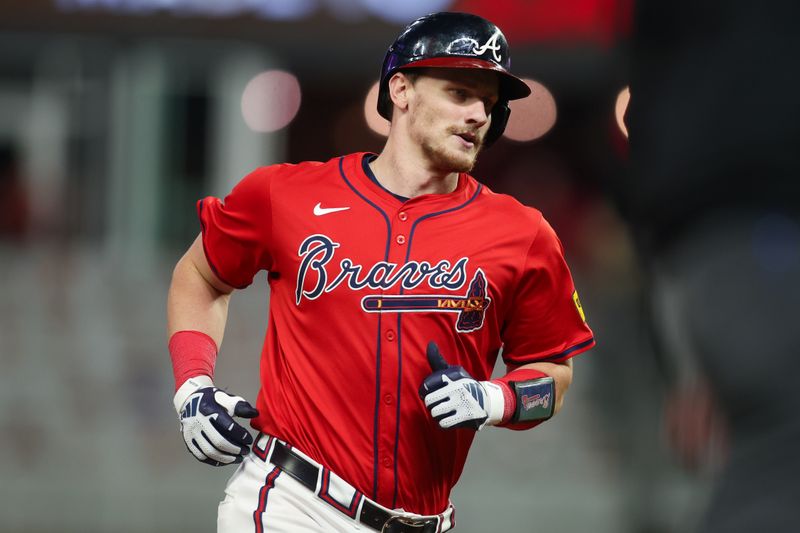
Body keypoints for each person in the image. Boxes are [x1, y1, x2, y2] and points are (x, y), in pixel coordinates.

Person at [166, 12, 595, 533]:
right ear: (401, 89)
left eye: (489, 102)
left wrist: (495, 397)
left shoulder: (522, 235)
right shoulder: (286, 194)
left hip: (426, 521)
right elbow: (200, 275)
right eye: (461, 92)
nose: (479, 113)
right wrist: (192, 386)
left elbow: (555, 379)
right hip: (292, 504)